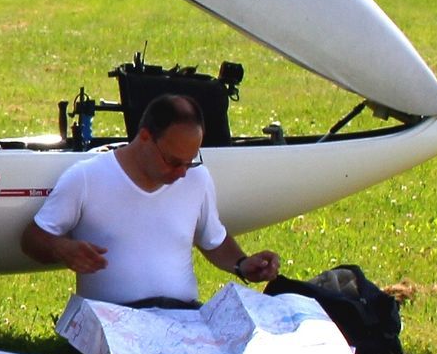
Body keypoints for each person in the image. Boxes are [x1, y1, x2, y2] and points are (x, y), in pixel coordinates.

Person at [21, 94, 279, 309]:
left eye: (189, 162)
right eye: (173, 161)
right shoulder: (87, 177)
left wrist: (243, 265)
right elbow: (32, 239)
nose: (181, 173)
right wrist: (62, 249)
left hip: (184, 314)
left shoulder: (197, 178)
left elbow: (213, 239)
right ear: (144, 137)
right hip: (113, 318)